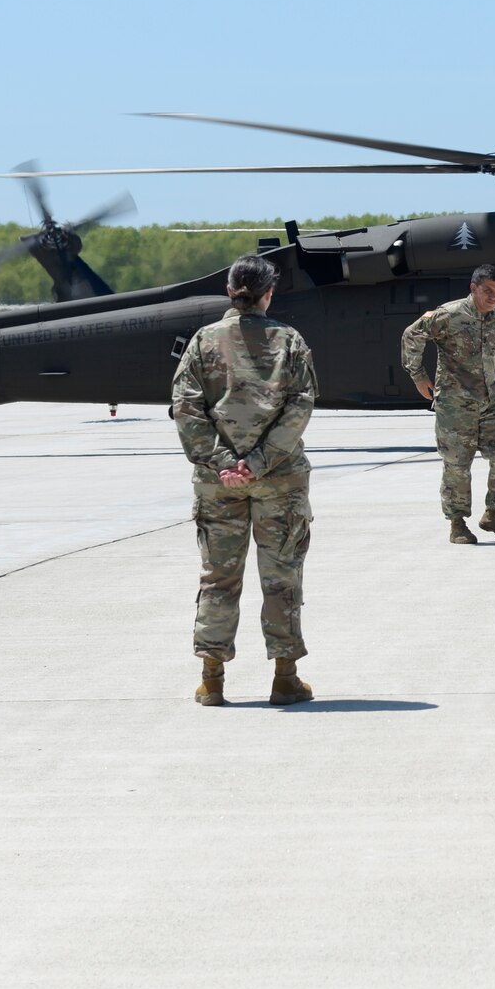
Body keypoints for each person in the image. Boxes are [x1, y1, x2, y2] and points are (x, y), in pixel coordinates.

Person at [170, 254, 318, 707]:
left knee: (218, 578)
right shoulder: (289, 341)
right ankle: (285, 677)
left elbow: (186, 409)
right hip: (278, 481)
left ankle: (211, 680)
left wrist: (222, 462)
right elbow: (300, 406)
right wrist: (256, 462)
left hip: (218, 486)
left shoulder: (201, 342)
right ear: (268, 294)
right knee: (281, 579)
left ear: (230, 292)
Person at [401, 264, 495, 544]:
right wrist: (418, 376)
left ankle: (493, 514)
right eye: (488, 291)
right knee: (457, 465)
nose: (493, 297)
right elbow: (411, 336)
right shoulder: (448, 314)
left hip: (491, 403)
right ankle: (457, 524)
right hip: (455, 404)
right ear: (473, 288)